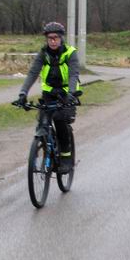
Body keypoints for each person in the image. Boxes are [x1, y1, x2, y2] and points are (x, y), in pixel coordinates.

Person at [16, 22, 80, 173]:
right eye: (50, 38)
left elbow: (73, 74)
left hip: (67, 94)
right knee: (43, 123)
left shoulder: (70, 53)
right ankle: (47, 154)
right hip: (49, 93)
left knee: (59, 120)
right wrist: (23, 93)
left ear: (61, 38)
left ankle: (65, 158)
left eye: (56, 38)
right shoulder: (43, 53)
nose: (52, 41)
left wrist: (71, 93)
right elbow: (33, 73)